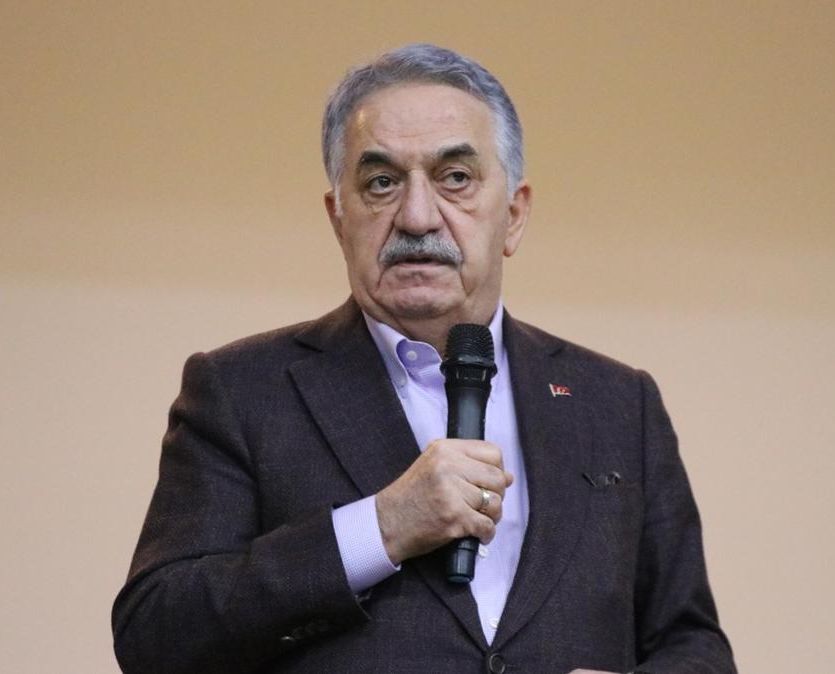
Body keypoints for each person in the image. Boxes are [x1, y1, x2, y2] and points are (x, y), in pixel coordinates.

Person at [112, 44, 735, 674]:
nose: (416, 216)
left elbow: (695, 645)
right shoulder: (242, 390)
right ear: (338, 218)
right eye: (381, 183)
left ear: (514, 215)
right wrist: (380, 528)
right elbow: (156, 634)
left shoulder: (618, 401)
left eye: (455, 178)